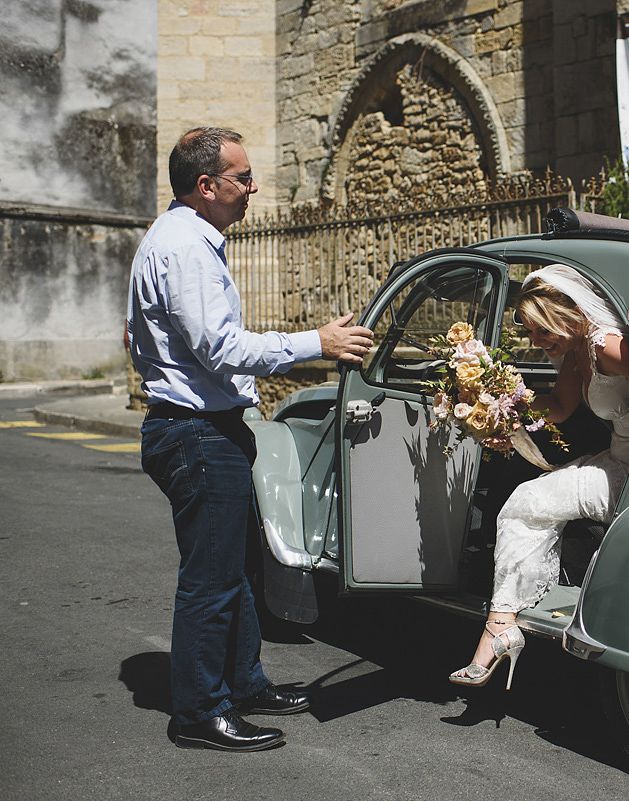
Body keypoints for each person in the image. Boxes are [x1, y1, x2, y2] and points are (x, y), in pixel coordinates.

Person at [127, 127, 374, 751]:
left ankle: (243, 683)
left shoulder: (181, 240)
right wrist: (315, 343)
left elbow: (141, 338)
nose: (254, 188)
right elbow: (221, 346)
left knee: (234, 571)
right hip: (195, 433)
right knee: (211, 579)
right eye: (242, 177)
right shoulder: (185, 246)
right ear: (206, 186)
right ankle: (201, 712)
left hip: (202, 427)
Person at [449, 264, 629, 689]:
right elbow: (560, 406)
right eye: (530, 333)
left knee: (522, 506)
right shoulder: (579, 352)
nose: (535, 342)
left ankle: (500, 630)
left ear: (568, 310)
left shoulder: (608, 346)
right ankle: (499, 628)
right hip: (619, 457)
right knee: (522, 503)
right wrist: (504, 403)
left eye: (540, 330)